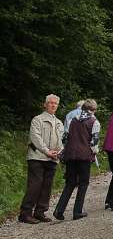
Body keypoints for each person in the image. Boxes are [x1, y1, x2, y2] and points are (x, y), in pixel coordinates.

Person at [19, 94, 64, 224]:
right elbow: (35, 138)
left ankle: (40, 212)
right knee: (35, 185)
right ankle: (25, 213)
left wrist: (58, 152)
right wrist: (47, 151)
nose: (53, 105)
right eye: (50, 102)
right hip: (37, 157)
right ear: (45, 104)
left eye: (55, 103)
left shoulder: (59, 123)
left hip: (52, 158)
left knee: (47, 186)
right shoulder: (37, 120)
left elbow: (61, 140)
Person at [53, 99, 99, 221]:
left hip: (71, 155)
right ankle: (77, 211)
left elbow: (65, 137)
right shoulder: (94, 122)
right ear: (93, 110)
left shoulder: (72, 119)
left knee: (70, 183)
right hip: (84, 156)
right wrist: (94, 153)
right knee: (83, 183)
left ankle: (59, 210)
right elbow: (94, 142)